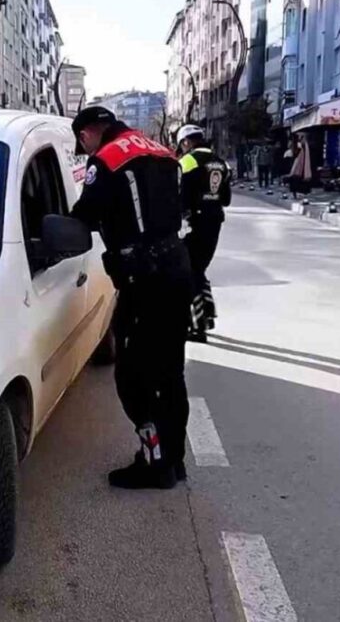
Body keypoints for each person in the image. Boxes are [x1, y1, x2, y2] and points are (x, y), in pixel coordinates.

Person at [70, 107, 193, 490]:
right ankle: (173, 458)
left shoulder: (106, 159)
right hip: (177, 268)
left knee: (133, 376)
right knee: (170, 371)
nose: (86, 148)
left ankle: (155, 465)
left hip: (145, 280)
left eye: (83, 142)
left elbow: (83, 216)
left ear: (88, 133)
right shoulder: (162, 151)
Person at [177, 125, 231, 344]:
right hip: (214, 221)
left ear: (186, 142)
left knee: (190, 272)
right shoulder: (221, 163)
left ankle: (198, 326)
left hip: (193, 224)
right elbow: (226, 199)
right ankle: (208, 313)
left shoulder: (187, 162)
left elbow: (180, 196)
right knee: (199, 269)